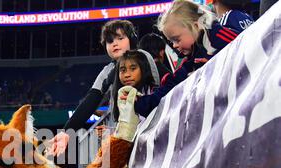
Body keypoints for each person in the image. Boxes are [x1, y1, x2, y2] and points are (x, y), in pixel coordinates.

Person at [133, 0, 241, 118]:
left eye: (177, 39)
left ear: (195, 26)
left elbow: (245, 50)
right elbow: (171, 86)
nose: (174, 46)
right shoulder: (191, 59)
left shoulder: (220, 36)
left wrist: (216, 64)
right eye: (171, 41)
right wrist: (140, 102)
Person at [47, 19, 138, 156]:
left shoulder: (144, 59)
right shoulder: (107, 71)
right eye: (109, 41)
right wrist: (66, 133)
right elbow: (90, 101)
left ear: (131, 39)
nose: (114, 43)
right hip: (125, 139)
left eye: (120, 38)